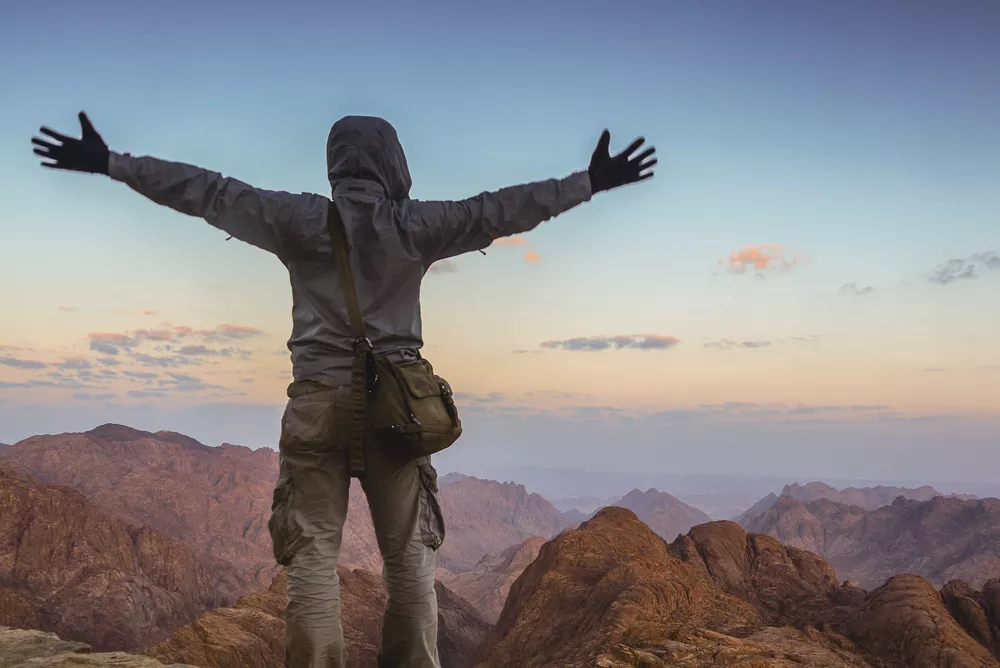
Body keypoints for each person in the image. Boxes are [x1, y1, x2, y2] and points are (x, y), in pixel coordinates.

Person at [32, 112, 656, 668]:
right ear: (393, 164)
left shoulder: (298, 219)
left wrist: (112, 163)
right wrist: (589, 182)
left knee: (311, 561)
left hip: (316, 407)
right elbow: (502, 208)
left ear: (335, 163)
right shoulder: (414, 225)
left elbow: (209, 193)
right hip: (400, 413)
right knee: (410, 564)